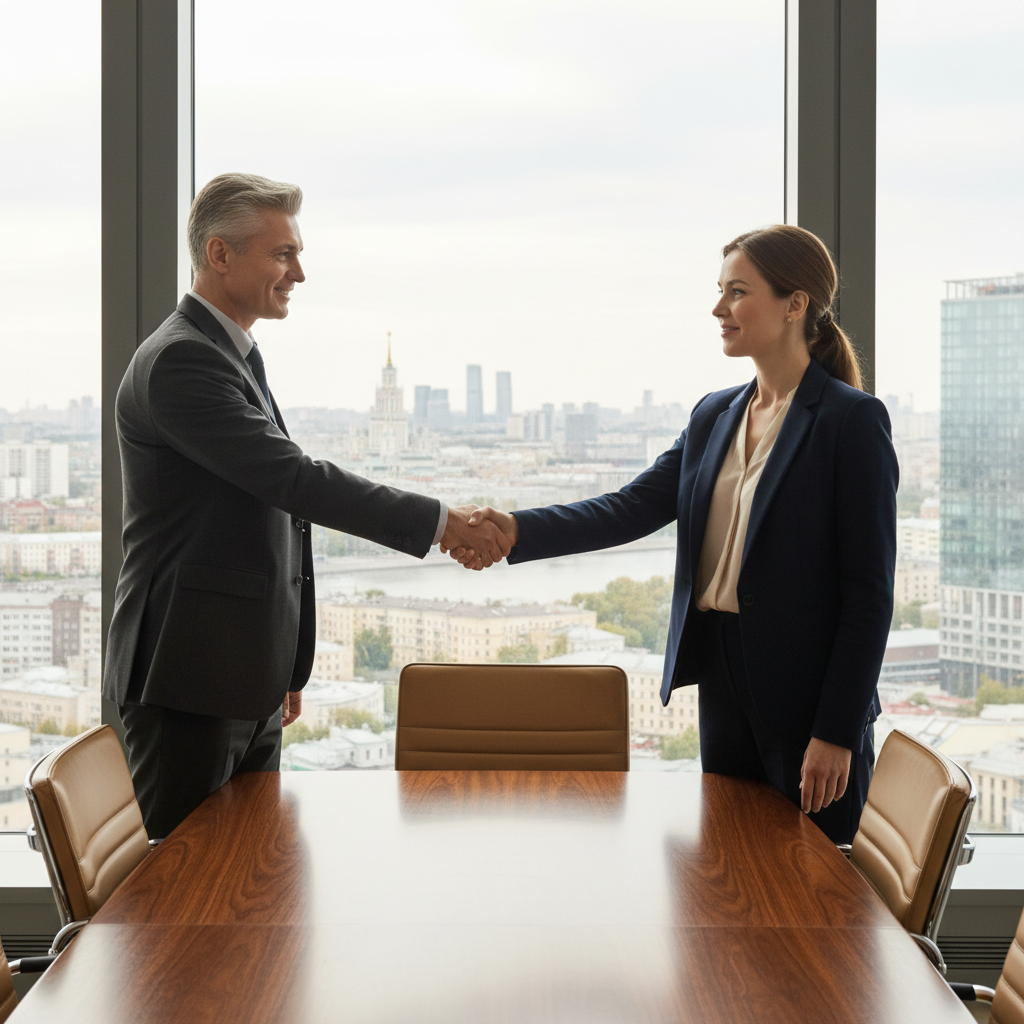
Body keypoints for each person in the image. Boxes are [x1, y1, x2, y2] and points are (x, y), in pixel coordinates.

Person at [449, 224, 897, 844]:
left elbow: (869, 595)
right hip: (720, 678)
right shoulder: (716, 413)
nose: (718, 309)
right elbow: (629, 507)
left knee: (818, 896)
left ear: (796, 304)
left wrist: (837, 731)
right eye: (720, 291)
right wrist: (517, 529)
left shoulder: (852, 421)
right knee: (730, 870)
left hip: (809, 699)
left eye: (737, 292)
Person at [103, 172, 511, 838]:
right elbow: (295, 482)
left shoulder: (226, 354)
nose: (299, 272)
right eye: (283, 253)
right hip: (189, 678)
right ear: (220, 255)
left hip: (238, 675)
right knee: (185, 896)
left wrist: (283, 663)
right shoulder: (182, 361)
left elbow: (270, 515)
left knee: (248, 874)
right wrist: (443, 523)